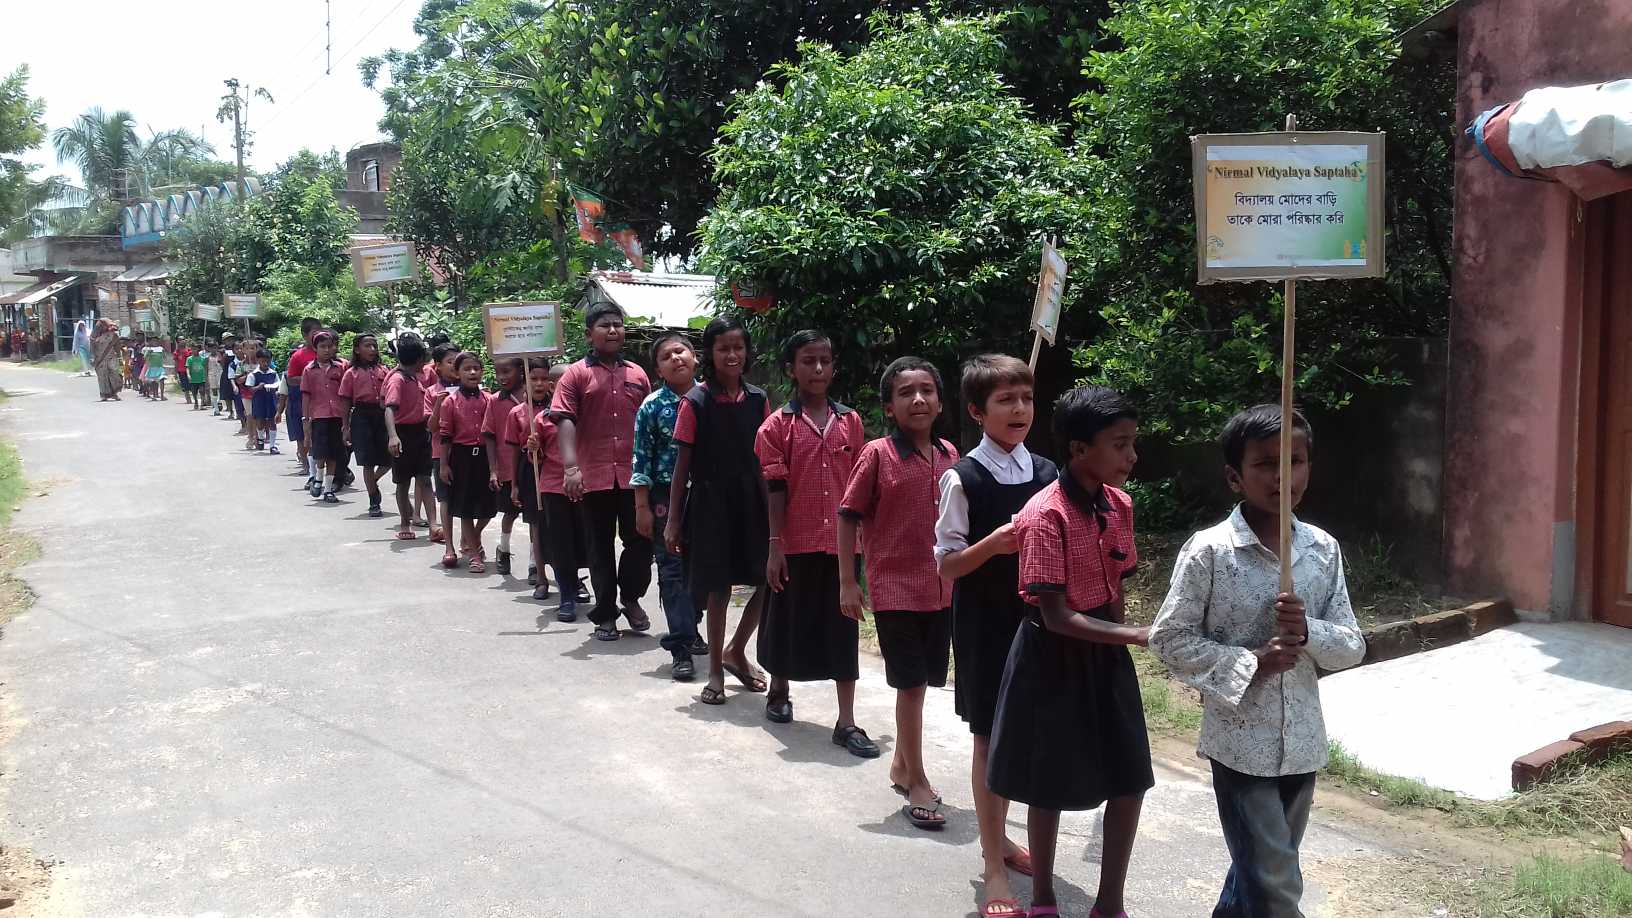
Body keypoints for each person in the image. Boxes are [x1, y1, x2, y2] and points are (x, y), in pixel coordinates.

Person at [1149, 405, 1365, 918]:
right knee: (1275, 884)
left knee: (1257, 872)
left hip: (1303, 744)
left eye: (1294, 461)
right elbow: (1169, 639)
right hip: (1239, 746)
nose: (1282, 477)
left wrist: (1307, 631)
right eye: (1266, 464)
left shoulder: (1321, 549)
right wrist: (1251, 662)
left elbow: (1352, 646)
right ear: (1235, 477)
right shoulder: (1210, 552)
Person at [984, 385, 1153, 918]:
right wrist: (1137, 636)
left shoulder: (1120, 505)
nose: (1131, 456)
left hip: (1105, 653)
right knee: (1048, 781)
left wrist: (1121, 638)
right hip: (1050, 656)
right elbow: (1056, 615)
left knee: (1130, 778)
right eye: (1119, 445)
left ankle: (1110, 902)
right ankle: (1043, 898)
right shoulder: (1044, 514)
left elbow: (1116, 585)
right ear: (1080, 450)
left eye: (1132, 443)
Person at [933, 354, 1058, 917]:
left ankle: (1003, 839)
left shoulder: (1049, 474)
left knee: (1030, 736)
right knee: (988, 738)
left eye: (1026, 398)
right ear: (977, 412)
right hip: (985, 623)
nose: (1020, 409)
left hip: (1040, 621)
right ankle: (992, 866)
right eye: (1006, 400)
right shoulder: (963, 478)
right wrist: (994, 544)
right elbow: (947, 566)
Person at [838, 356, 960, 830]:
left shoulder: (950, 456)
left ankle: (901, 764)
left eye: (927, 390)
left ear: (941, 402)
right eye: (906, 392)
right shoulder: (877, 455)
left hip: (941, 590)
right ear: (889, 407)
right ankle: (918, 782)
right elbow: (848, 516)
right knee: (910, 685)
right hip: (893, 590)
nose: (918, 399)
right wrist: (848, 581)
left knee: (922, 683)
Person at [757, 330, 878, 756]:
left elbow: (862, 487)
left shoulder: (851, 422)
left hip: (843, 546)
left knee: (843, 627)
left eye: (825, 360)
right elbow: (775, 488)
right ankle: (779, 689)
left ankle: (846, 721)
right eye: (808, 361)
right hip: (795, 540)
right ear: (791, 369)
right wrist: (775, 545)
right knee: (787, 619)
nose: (818, 368)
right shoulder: (777, 426)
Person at [665, 317, 771, 691]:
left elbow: (766, 460)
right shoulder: (695, 402)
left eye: (738, 347)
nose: (731, 355)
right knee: (718, 588)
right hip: (710, 504)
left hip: (752, 503)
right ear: (709, 353)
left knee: (768, 580)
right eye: (723, 348)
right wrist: (673, 520)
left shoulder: (758, 399)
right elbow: (682, 467)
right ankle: (714, 670)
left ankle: (736, 650)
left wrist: (775, 512)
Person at [551, 303, 653, 636]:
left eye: (618, 325)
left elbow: (650, 423)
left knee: (641, 541)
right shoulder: (575, 374)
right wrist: (571, 468)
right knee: (600, 547)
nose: (612, 330)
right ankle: (605, 613)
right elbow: (564, 419)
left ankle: (631, 597)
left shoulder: (638, 374)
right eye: (604, 325)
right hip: (593, 476)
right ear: (588, 334)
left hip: (636, 475)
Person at [632, 333, 703, 677]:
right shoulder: (651, 406)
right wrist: (641, 506)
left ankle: (693, 624)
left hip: (706, 497)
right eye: (666, 356)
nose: (676, 358)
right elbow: (641, 458)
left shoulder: (711, 399)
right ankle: (681, 647)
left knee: (703, 570)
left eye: (681, 351)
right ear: (658, 369)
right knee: (672, 570)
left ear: (695, 357)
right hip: (664, 499)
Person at [533, 362, 590, 621]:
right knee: (560, 543)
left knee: (586, 540)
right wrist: (533, 447)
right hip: (554, 487)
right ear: (552, 386)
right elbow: (537, 457)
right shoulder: (541, 419)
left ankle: (582, 584)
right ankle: (566, 595)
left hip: (586, 486)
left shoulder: (588, 414)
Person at [507, 359, 561, 602]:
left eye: (544, 379)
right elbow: (512, 452)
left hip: (556, 468)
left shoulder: (560, 410)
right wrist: (514, 485)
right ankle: (541, 578)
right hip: (530, 471)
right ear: (525, 381)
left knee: (562, 525)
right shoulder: (517, 413)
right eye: (534, 379)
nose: (539, 384)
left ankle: (568, 578)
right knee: (537, 526)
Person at [438, 352, 495, 572]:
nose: (472, 372)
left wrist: (495, 466)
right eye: (467, 369)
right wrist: (444, 465)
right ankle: (474, 555)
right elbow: (445, 436)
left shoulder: (489, 399)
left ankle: (472, 537)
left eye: (476, 368)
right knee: (466, 508)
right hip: (461, 458)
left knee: (489, 507)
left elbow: (494, 433)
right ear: (457, 373)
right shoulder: (450, 402)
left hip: (485, 456)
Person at [383, 334, 436, 542]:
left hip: (420, 433)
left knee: (425, 479)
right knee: (403, 482)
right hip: (403, 433)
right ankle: (405, 523)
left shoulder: (414, 377)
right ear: (419, 359)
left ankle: (433, 525)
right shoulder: (397, 379)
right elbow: (389, 409)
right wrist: (393, 436)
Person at [481, 357, 527, 576]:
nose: (502, 377)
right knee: (510, 513)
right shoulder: (495, 401)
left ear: (521, 370)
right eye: (498, 372)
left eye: (507, 371)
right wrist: (493, 469)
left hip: (534, 467)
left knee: (535, 518)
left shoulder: (535, 395)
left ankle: (534, 563)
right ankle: (504, 549)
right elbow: (489, 435)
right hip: (508, 467)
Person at [339, 333, 392, 518]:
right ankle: (373, 500)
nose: (372, 349)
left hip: (382, 415)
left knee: (390, 459)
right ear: (357, 349)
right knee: (367, 461)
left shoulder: (384, 370)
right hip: (362, 416)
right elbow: (345, 401)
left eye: (374, 346)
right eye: (367, 346)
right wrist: (345, 427)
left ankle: (373, 481)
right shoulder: (350, 373)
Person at [301, 330, 349, 503]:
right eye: (322, 347)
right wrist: (305, 419)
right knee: (320, 452)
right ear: (315, 348)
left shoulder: (340, 368)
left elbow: (345, 394)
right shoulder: (309, 370)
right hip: (318, 416)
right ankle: (318, 478)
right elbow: (306, 396)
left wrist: (346, 420)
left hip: (336, 415)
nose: (327, 350)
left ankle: (328, 489)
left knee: (334, 454)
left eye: (329, 346)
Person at [426, 342, 461, 545]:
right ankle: (449, 545)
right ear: (437, 365)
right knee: (445, 499)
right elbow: (431, 427)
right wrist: (439, 404)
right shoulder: (432, 392)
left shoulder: (472, 389)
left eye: (457, 361)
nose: (455, 366)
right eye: (450, 362)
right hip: (441, 453)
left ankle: (469, 541)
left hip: (466, 450)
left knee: (467, 499)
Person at [285, 318, 322, 486]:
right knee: (304, 437)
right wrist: (310, 378)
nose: (318, 336)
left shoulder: (326, 351)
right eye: (314, 333)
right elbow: (291, 379)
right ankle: (309, 470)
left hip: (323, 402)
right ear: (304, 335)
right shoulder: (298, 356)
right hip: (303, 401)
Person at [246, 350, 282, 453]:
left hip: (271, 400)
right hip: (259, 401)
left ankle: (272, 445)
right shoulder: (253, 374)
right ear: (258, 360)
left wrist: (276, 390)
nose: (265, 364)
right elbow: (250, 389)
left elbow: (278, 385)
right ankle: (260, 438)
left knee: (272, 422)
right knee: (260, 422)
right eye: (263, 361)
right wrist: (258, 387)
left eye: (268, 361)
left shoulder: (273, 373)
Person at [91, 320, 122, 401]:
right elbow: (92, 348)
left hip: (111, 358)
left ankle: (114, 393)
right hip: (99, 359)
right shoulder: (94, 336)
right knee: (102, 377)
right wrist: (93, 358)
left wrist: (120, 358)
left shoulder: (113, 335)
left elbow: (117, 347)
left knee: (113, 375)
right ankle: (104, 395)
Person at [186, 345, 210, 411]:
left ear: (198, 350)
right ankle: (196, 402)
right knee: (194, 392)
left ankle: (202, 404)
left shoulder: (202, 358)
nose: (194, 351)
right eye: (192, 349)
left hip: (201, 378)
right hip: (193, 379)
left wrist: (206, 376)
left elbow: (205, 367)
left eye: (195, 349)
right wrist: (188, 375)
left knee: (202, 391)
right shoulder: (189, 359)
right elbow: (187, 368)